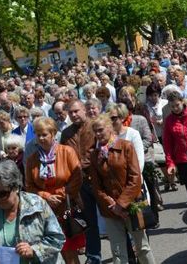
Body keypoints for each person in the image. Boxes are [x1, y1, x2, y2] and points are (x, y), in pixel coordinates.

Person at [89, 115, 156, 264]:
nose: (98, 134)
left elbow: (135, 177)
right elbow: (96, 186)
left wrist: (121, 204)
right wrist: (112, 205)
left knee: (142, 247)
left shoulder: (126, 146)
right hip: (110, 210)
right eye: (95, 131)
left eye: (100, 130)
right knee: (118, 252)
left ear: (109, 128)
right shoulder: (94, 155)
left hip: (132, 205)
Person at [0, 160, 65, 264]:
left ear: (16, 187)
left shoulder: (37, 205)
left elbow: (57, 238)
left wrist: (34, 250)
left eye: (3, 194)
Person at [25, 117, 83, 264]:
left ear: (53, 133)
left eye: (44, 134)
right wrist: (46, 196)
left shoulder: (67, 152)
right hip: (44, 209)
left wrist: (60, 195)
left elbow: (77, 177)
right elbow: (29, 186)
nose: (41, 138)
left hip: (66, 207)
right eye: (38, 135)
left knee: (69, 252)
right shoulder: (32, 159)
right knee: (51, 253)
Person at [60, 99, 100, 263]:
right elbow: (62, 157)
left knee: (114, 217)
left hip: (99, 179)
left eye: (77, 111)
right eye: (71, 112)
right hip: (80, 184)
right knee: (89, 222)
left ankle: (128, 251)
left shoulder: (95, 127)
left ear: (84, 110)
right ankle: (93, 256)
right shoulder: (66, 133)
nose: (74, 115)